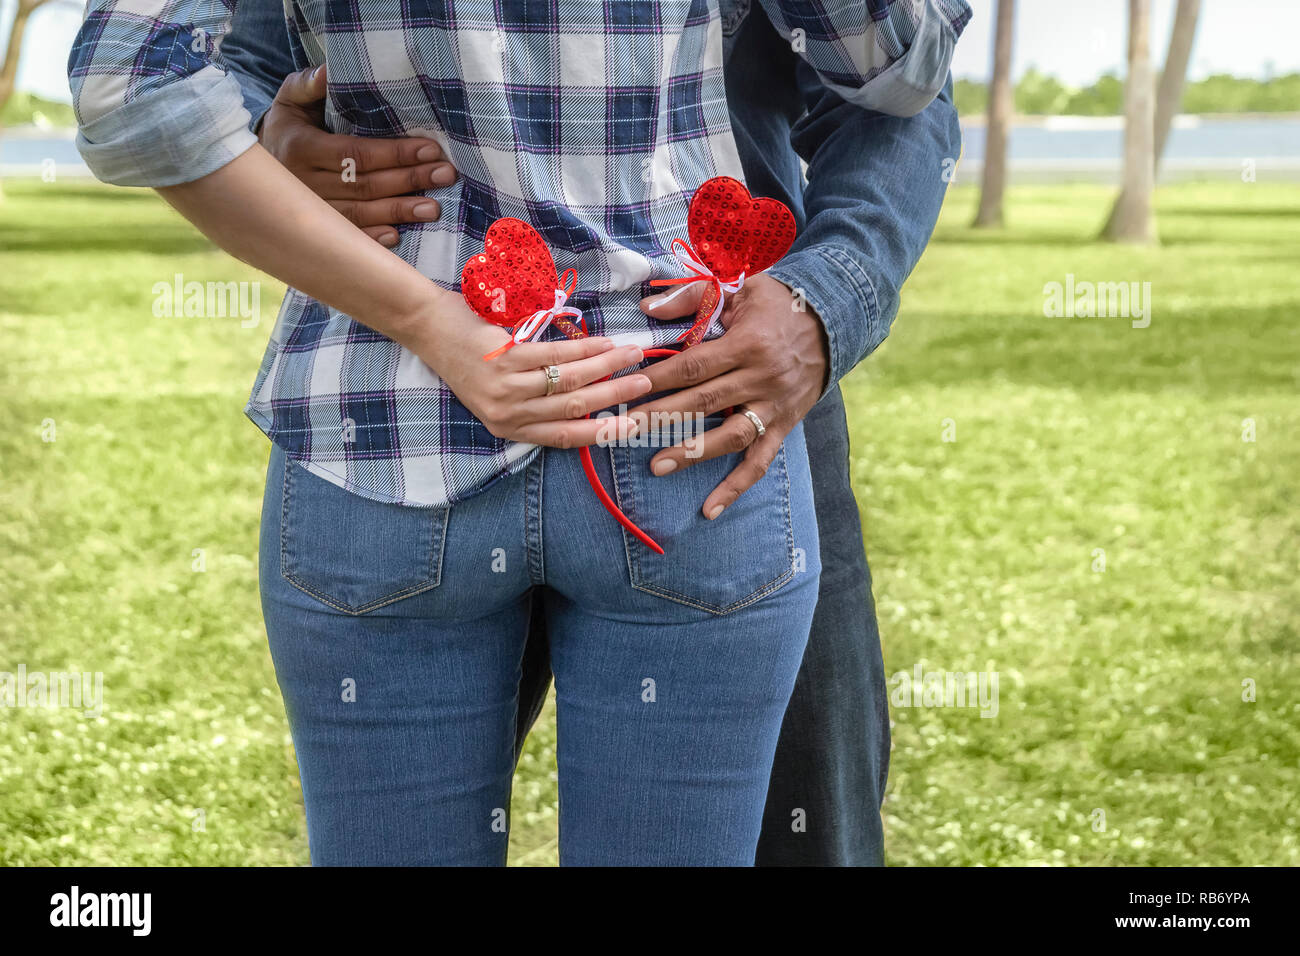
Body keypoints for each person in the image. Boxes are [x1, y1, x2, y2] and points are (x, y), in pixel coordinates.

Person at [69, 0, 967, 865]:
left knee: (809, 822)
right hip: (678, 417)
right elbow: (901, 67)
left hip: (390, 424)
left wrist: (831, 299)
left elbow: (136, 82)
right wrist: (278, 132)